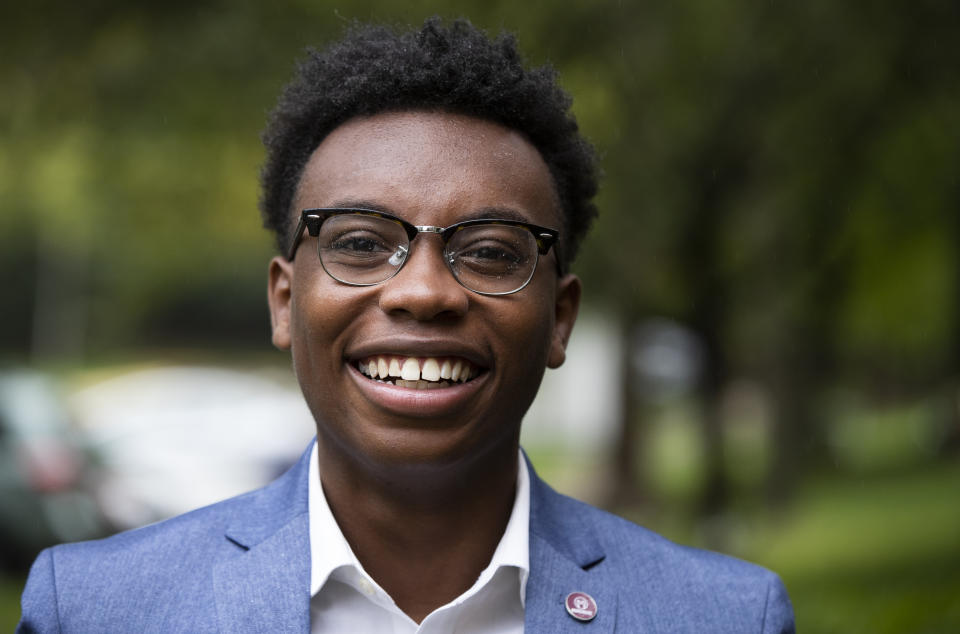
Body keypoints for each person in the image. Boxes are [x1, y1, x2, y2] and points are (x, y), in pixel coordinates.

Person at [18, 17, 794, 633]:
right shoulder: (90, 609)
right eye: (359, 243)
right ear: (285, 302)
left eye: (490, 252)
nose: (424, 292)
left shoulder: (724, 616)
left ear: (560, 319)